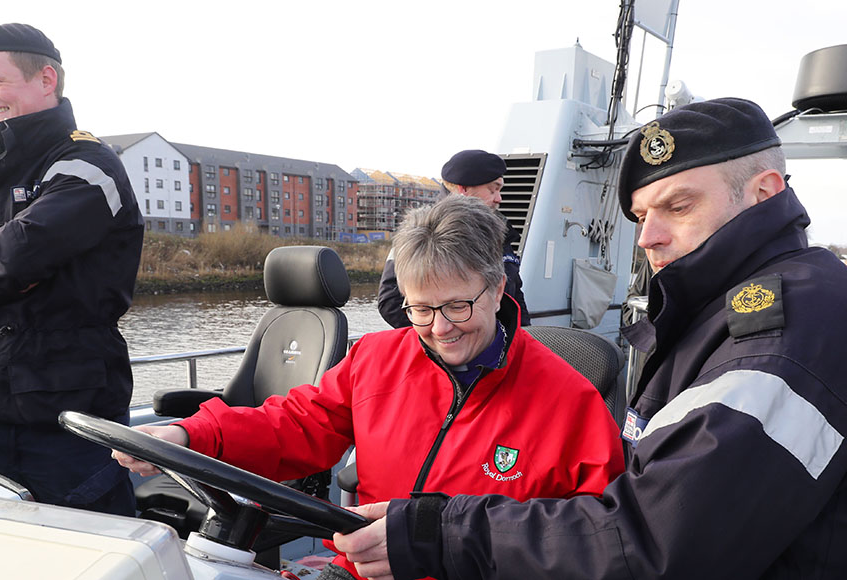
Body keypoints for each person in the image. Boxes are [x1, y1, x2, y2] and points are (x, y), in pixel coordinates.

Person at [333, 97, 847, 579]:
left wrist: (443, 533)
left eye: (680, 206)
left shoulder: (785, 332)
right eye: (643, 216)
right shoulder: (719, 317)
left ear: (765, 191)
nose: (647, 237)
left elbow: (655, 541)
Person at [115, 195, 623, 580]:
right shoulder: (375, 358)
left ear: (495, 290)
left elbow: (598, 536)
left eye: (456, 307)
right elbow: (294, 425)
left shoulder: (571, 402)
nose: (439, 329)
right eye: (420, 309)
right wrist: (192, 434)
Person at [0, 23, 144, 516]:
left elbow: (20, 252)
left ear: (46, 78)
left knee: (97, 552)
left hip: (68, 418)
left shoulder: (87, 164)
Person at [377, 149, 531, 327]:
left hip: (504, 349)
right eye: (492, 190)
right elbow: (390, 302)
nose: (499, 198)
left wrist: (524, 338)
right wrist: (441, 343)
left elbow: (515, 295)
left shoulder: (498, 231)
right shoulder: (421, 231)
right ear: (463, 189)